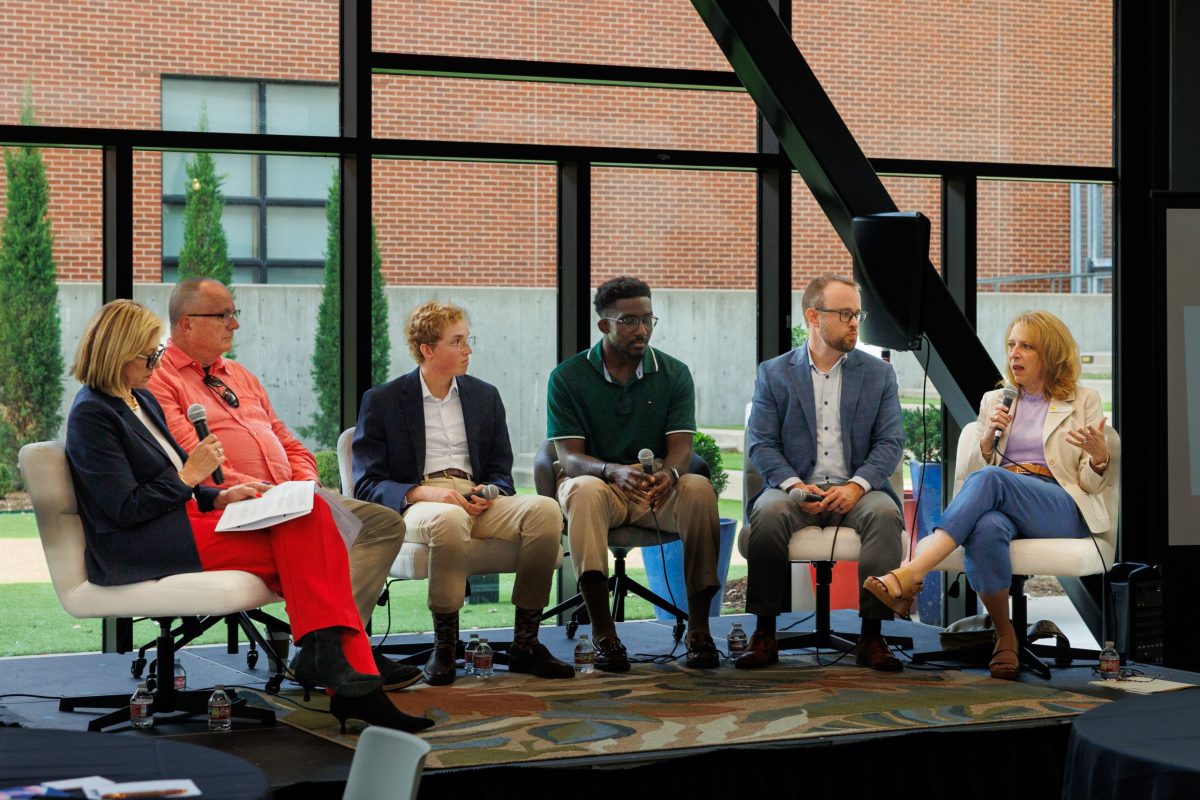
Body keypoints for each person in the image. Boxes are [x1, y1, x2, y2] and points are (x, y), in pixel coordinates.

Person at [64, 299, 431, 732]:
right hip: (141, 543)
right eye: (149, 355)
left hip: (186, 521)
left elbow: (182, 480)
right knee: (310, 551)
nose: (155, 363)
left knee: (310, 513)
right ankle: (347, 679)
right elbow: (123, 508)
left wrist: (218, 496)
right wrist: (188, 477)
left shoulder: (138, 397)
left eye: (157, 353)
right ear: (116, 355)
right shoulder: (92, 413)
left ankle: (330, 660)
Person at [147, 278, 418, 691]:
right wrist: (268, 493)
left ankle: (338, 644)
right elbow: (192, 459)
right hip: (234, 503)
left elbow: (287, 440)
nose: (234, 324)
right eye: (224, 315)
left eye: (234, 314)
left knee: (382, 524)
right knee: (321, 523)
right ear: (186, 324)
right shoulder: (161, 380)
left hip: (291, 497)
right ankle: (339, 652)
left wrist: (304, 483)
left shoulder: (240, 375)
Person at [865, 310, 1114, 680]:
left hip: (1061, 502)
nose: (1015, 354)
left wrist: (1098, 457)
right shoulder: (996, 400)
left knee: (993, 480)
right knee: (986, 527)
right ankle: (1005, 635)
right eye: (1012, 345)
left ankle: (912, 573)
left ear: (1050, 353)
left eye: (1027, 346)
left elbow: (1089, 483)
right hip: (1005, 500)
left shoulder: (1083, 400)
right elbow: (973, 472)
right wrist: (986, 440)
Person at [352, 301, 573, 685]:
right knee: (449, 516)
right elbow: (367, 483)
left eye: (467, 339)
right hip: (421, 501)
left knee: (544, 510)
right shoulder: (384, 401)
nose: (468, 349)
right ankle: (444, 645)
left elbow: (501, 472)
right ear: (428, 349)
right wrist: (425, 493)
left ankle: (526, 643)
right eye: (457, 341)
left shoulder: (484, 396)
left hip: (476, 497)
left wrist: (491, 491)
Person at [547, 276, 721, 671]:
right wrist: (612, 471)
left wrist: (672, 475)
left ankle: (698, 630)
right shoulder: (568, 377)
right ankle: (604, 634)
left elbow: (681, 451)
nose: (641, 329)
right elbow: (569, 458)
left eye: (648, 319)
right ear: (604, 325)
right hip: (599, 484)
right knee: (583, 490)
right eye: (628, 321)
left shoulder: (674, 374)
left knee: (697, 487)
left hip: (654, 488)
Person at [741, 274, 905, 671]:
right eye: (845, 314)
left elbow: (890, 443)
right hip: (795, 489)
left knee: (884, 514)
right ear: (814, 316)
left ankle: (872, 635)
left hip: (859, 491)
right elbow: (760, 443)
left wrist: (856, 486)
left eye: (857, 313)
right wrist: (796, 486)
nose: (854, 323)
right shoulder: (774, 373)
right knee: (768, 512)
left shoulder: (879, 374)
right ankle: (764, 632)